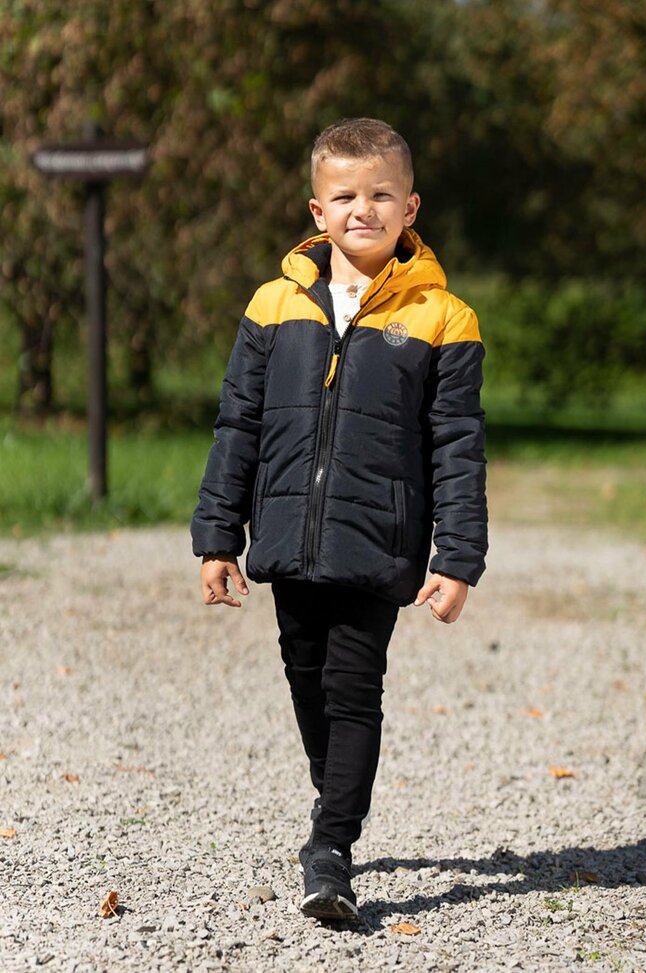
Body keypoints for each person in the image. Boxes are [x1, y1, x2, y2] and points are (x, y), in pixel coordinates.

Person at [190, 117, 487, 921]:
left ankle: (331, 847)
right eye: (346, 195)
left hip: (378, 541)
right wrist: (218, 537)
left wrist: (457, 558)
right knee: (305, 674)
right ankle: (337, 793)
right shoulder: (273, 304)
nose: (364, 209)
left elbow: (458, 447)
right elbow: (238, 426)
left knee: (354, 686)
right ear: (317, 211)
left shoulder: (443, 317)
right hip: (287, 533)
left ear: (410, 207)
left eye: (382, 194)